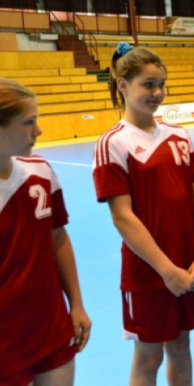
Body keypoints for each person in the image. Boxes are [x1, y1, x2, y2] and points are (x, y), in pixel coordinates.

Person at [93, 43, 194, 386]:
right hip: (148, 273)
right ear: (122, 85)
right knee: (149, 356)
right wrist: (167, 270)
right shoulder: (113, 143)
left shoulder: (180, 137)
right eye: (148, 84)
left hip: (189, 265)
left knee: (181, 345)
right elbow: (123, 217)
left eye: (161, 84)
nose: (157, 93)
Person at [0, 78, 91, 386]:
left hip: (51, 329)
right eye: (28, 122)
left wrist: (76, 303)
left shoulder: (40, 171)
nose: (38, 130)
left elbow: (58, 238)